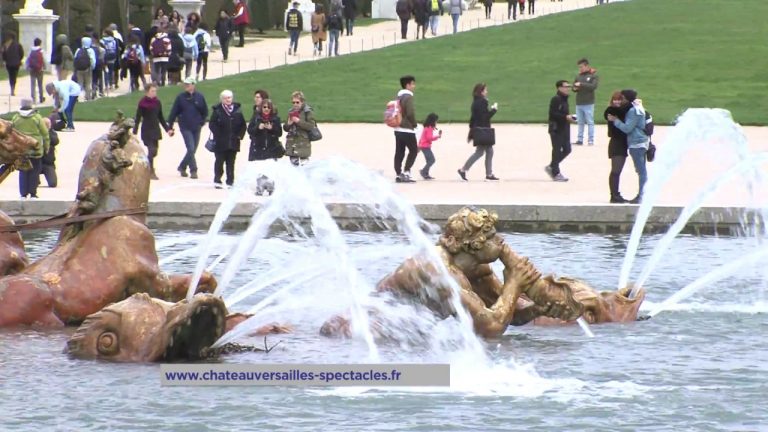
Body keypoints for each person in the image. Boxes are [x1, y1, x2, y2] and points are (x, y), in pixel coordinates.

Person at [607, 89, 649, 204]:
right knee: (641, 171)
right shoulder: (636, 108)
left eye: (622, 98)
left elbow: (627, 128)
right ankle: (640, 195)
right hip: (638, 142)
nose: (621, 100)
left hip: (636, 143)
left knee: (641, 171)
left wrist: (615, 120)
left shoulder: (632, 110)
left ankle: (642, 195)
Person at [167, 77, 209, 179]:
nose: (186, 86)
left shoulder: (200, 97)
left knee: (193, 149)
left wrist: (201, 122)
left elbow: (205, 111)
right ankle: (193, 170)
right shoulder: (180, 97)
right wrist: (170, 127)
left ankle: (182, 166)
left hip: (196, 127)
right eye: (185, 84)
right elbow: (173, 112)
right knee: (190, 148)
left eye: (188, 84)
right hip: (185, 127)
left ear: (193, 85)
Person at [458, 83, 499, 181]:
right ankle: (464, 170)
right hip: (483, 131)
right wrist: (493, 110)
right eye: (485, 90)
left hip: (478, 130)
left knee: (488, 151)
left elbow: (473, 118)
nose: (487, 92)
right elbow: (485, 117)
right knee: (481, 152)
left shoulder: (475, 102)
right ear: (481, 92)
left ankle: (488, 174)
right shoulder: (482, 102)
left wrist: (471, 130)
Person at [9, 99, 49, 199]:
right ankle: (33, 193)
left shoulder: (16, 118)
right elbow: (45, 134)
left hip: (21, 150)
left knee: (23, 172)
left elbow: (12, 133)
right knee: (35, 172)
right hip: (35, 149)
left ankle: (23, 194)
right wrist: (46, 148)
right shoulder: (37, 117)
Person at [134, 83, 174, 180]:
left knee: (155, 152)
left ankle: (145, 164)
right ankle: (150, 171)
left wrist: (168, 129)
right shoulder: (142, 103)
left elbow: (161, 118)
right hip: (146, 130)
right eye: (152, 91)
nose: (155, 93)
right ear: (147, 92)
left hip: (155, 129)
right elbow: (138, 118)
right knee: (152, 150)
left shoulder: (157, 102)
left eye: (155, 91)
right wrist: (134, 131)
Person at [209, 89, 247, 188]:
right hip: (221, 141)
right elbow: (212, 124)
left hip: (233, 141)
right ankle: (217, 180)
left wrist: (239, 135)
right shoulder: (217, 110)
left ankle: (230, 181)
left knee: (231, 162)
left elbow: (243, 124)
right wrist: (218, 134)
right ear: (222, 99)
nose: (228, 100)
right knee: (219, 161)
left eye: (229, 97)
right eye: (225, 98)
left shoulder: (237, 110)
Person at [545, 80, 577, 182]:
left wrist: (569, 118)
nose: (568, 88)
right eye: (566, 86)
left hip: (564, 128)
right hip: (556, 129)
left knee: (567, 149)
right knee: (557, 149)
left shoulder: (564, 99)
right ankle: (555, 172)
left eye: (568, 86)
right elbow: (553, 114)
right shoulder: (556, 99)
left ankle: (552, 166)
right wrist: (566, 117)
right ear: (559, 88)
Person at [604, 90, 630, 203]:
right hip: (616, 144)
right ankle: (614, 195)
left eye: (619, 99)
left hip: (621, 144)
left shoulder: (621, 111)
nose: (617, 101)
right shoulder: (612, 110)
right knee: (616, 171)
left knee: (616, 171)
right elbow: (611, 112)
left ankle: (615, 194)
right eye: (615, 99)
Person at [393, 75, 418, 183]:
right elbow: (410, 112)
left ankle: (398, 174)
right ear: (407, 85)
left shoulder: (398, 96)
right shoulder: (408, 97)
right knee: (413, 150)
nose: (414, 86)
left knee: (399, 152)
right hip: (407, 129)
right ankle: (406, 172)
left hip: (397, 128)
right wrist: (414, 124)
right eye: (412, 84)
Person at [283, 91, 317, 166]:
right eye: (293, 102)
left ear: (302, 102)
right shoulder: (290, 112)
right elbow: (285, 128)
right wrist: (288, 124)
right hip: (292, 144)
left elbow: (310, 126)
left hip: (303, 144)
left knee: (304, 167)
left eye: (297, 102)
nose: (295, 104)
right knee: (293, 167)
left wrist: (298, 121)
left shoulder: (307, 111)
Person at [573, 58, 599, 146]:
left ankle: (590, 140)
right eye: (579, 67)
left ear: (587, 66)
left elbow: (593, 86)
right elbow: (574, 87)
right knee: (580, 122)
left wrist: (581, 84)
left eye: (581, 67)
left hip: (588, 102)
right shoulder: (578, 76)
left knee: (590, 122)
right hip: (579, 102)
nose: (580, 69)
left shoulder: (593, 76)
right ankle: (580, 139)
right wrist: (575, 88)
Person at [248, 97, 283, 162]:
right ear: (261, 108)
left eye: (268, 107)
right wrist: (258, 128)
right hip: (258, 151)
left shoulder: (276, 119)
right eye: (264, 107)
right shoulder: (256, 118)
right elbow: (250, 131)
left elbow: (279, 133)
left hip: (272, 151)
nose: (266, 109)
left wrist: (272, 128)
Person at [418, 112, 441, 180]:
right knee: (432, 160)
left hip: (424, 146)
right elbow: (429, 138)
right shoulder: (429, 128)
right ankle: (423, 171)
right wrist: (437, 136)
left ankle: (426, 174)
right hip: (425, 147)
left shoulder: (426, 127)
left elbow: (422, 137)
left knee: (429, 160)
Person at [40, 114, 60, 188]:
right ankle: (35, 179)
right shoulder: (37, 133)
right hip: (37, 163)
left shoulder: (52, 133)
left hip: (48, 164)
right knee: (33, 183)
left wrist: (47, 132)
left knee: (53, 184)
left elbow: (56, 141)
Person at [2, 32, 24, 96]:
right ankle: (13, 88)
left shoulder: (6, 45)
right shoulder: (18, 45)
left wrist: (5, 60)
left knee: (11, 76)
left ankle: (12, 88)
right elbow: (21, 54)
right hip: (16, 63)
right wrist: (19, 59)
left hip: (9, 63)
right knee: (14, 76)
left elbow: (4, 54)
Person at [25, 38, 46, 104]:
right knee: (40, 84)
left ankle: (33, 99)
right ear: (40, 43)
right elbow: (44, 59)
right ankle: (41, 98)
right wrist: (44, 67)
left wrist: (27, 67)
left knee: (33, 84)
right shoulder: (41, 50)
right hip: (40, 70)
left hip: (32, 69)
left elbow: (28, 59)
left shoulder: (31, 50)